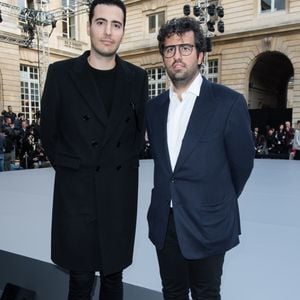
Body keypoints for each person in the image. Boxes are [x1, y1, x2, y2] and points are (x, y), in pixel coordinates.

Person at [40, 0, 148, 299]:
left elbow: (138, 137)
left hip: (118, 194)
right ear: (89, 26)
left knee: (114, 277)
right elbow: (48, 133)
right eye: (101, 22)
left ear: (123, 30)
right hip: (77, 194)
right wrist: (74, 169)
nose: (108, 31)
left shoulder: (137, 78)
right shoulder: (61, 74)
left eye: (116, 24)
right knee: (80, 279)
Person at [145, 17, 255, 300]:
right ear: (163, 57)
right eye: (169, 50)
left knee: (206, 294)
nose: (176, 56)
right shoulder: (154, 109)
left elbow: (242, 164)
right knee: (172, 292)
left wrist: (215, 200)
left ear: (201, 54)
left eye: (185, 48)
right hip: (165, 221)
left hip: (208, 220)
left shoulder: (228, 103)